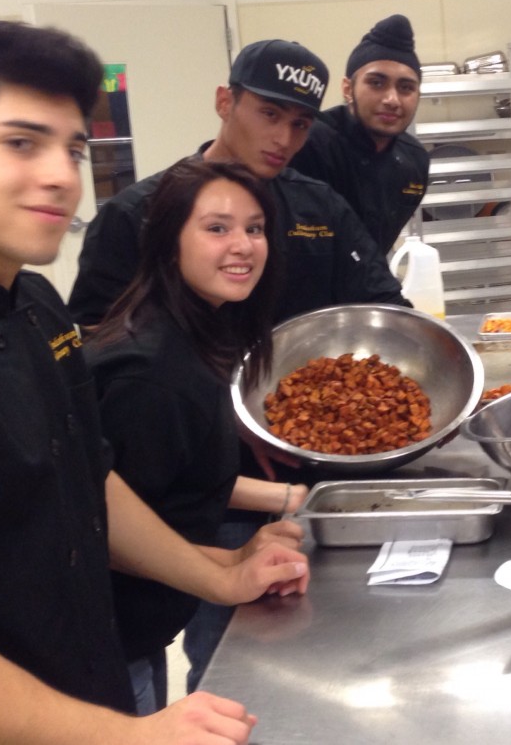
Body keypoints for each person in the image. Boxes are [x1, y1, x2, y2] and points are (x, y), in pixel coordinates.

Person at [0, 17, 308, 744]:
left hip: (82, 686)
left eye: (73, 146)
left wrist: (218, 574)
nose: (62, 174)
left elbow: (88, 477)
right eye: (21, 142)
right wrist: (135, 736)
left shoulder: (35, 302)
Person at [85, 158, 308, 714]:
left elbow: (169, 486)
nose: (243, 245)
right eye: (217, 228)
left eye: (254, 229)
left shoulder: (199, 333)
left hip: (142, 629)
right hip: (105, 644)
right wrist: (225, 571)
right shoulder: (151, 375)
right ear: (168, 242)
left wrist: (247, 545)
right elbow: (107, 535)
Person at [67, 37, 409, 330]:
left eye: (300, 124)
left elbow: (382, 299)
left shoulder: (320, 207)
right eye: (270, 114)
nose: (284, 139)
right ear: (225, 102)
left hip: (302, 397)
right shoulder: (135, 213)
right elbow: (97, 335)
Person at [288, 14, 429, 254]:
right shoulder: (308, 144)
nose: (392, 99)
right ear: (347, 89)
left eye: (406, 88)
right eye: (377, 83)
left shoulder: (414, 161)